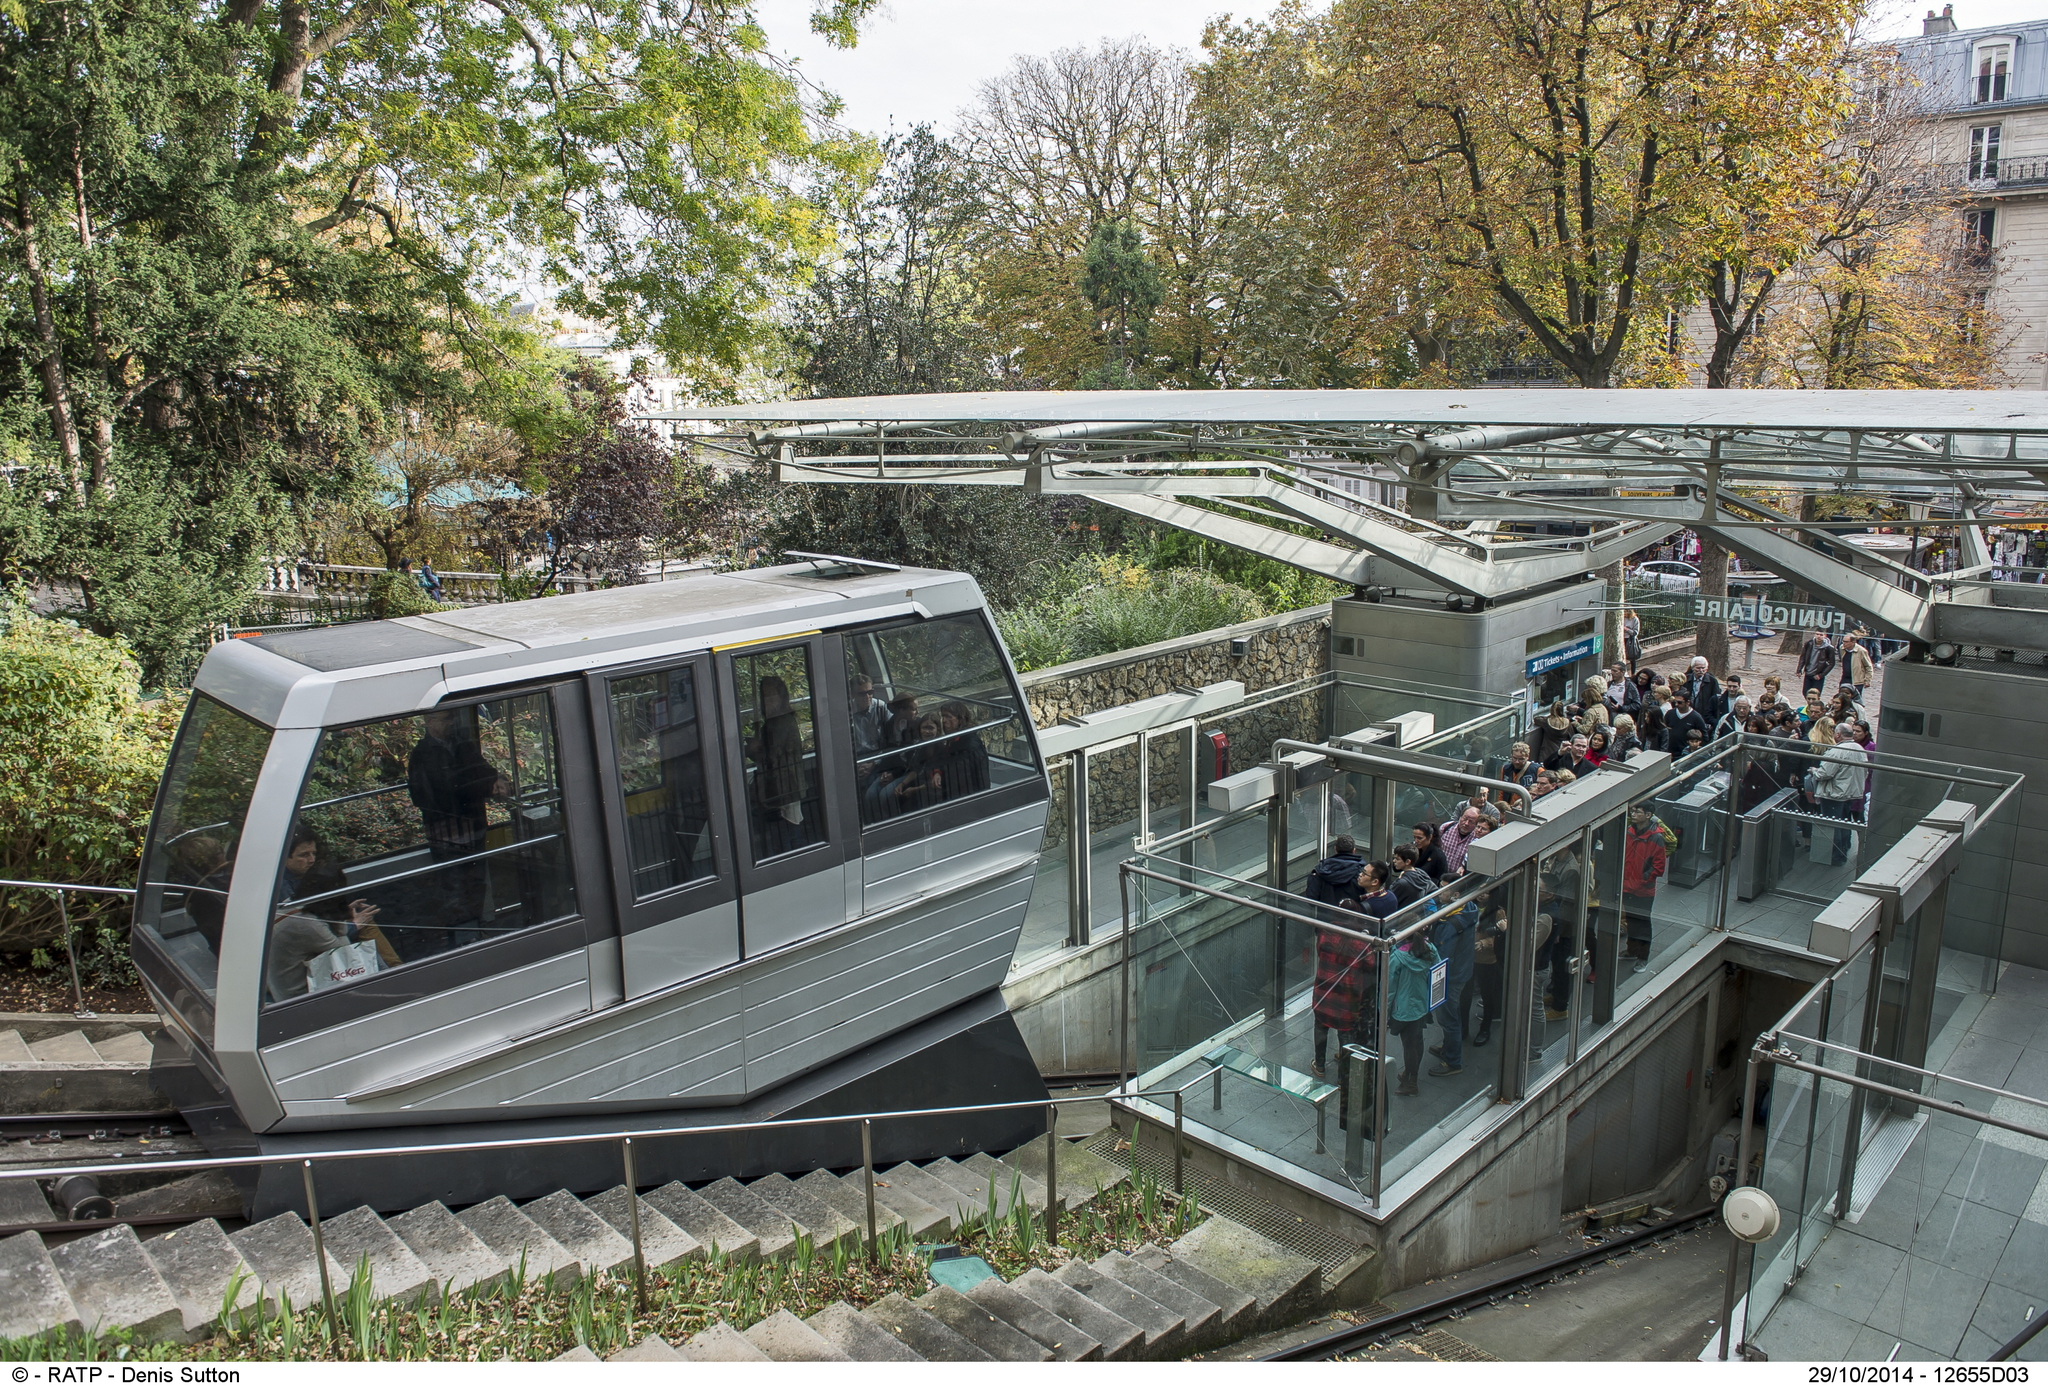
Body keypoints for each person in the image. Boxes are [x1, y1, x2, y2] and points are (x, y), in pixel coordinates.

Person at [408, 706, 511, 952]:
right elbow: (424, 795)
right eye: (445, 720)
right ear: (429, 721)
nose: (450, 725)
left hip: (473, 827)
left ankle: (474, 929)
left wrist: (495, 781)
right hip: (445, 832)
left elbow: (481, 770)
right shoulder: (421, 754)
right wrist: (469, 790)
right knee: (453, 885)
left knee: (476, 881)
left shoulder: (463, 745)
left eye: (451, 719)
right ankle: (461, 938)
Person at [1312, 900, 1375, 1080]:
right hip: (1349, 996)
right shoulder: (1361, 942)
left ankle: (1320, 1064)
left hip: (1324, 991)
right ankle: (1343, 1077)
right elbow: (1370, 964)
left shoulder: (1325, 933)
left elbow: (1319, 951)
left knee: (1320, 1026)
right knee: (1346, 1034)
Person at [746, 675, 809, 850]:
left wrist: (754, 748)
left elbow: (771, 757)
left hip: (784, 788)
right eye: (764, 696)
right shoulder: (773, 722)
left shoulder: (780, 722)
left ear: (781, 697)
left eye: (771, 695)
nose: (767, 700)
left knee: (786, 837)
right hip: (782, 788)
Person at [1388, 930, 1441, 1097]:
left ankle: (1411, 1082)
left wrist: (1384, 1011)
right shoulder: (1430, 949)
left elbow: (1389, 989)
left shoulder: (1397, 958)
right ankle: (1411, 1075)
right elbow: (1438, 971)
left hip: (1403, 1010)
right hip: (1422, 1004)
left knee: (1409, 1046)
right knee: (1417, 1042)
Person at [1429, 895, 1476, 1077]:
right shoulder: (1468, 908)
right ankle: (1448, 1046)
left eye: (1445, 888)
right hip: (1462, 971)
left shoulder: (1451, 925)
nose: (1441, 892)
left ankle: (1452, 1061)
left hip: (1450, 977)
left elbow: (1442, 957)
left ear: (1455, 896)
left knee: (1448, 1018)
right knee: (1451, 1014)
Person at [1622, 804, 1668, 974]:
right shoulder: (1629, 832)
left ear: (1648, 815)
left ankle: (1643, 957)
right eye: (1632, 811)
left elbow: (1659, 866)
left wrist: (1643, 879)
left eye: (1637, 812)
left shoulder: (1656, 837)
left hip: (1643, 890)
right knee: (1632, 921)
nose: (1633, 814)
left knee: (1643, 924)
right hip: (1627, 886)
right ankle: (1632, 950)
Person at [1814, 723, 1869, 865]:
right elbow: (1865, 772)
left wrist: (1813, 771)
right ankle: (1844, 850)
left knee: (1833, 826)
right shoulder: (1859, 749)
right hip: (1851, 794)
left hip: (1834, 794)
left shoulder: (1837, 751)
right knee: (1844, 823)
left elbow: (1824, 773)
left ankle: (1836, 857)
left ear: (1838, 735)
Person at [928, 701, 990, 800]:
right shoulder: (953, 739)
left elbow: (961, 775)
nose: (944, 720)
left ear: (960, 719)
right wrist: (937, 772)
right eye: (943, 716)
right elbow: (943, 759)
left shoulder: (968, 744)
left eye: (948, 717)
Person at [1306, 835, 1368, 915]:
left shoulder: (1321, 871)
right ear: (1354, 850)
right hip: (1353, 921)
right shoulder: (1363, 872)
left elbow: (1311, 900)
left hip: (1326, 921)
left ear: (1335, 849)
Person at [847, 674, 890, 762]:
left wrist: (875, 763)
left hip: (878, 758)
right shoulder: (846, 712)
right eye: (862, 694)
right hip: (856, 760)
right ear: (852, 694)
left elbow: (892, 734)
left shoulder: (880, 707)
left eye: (870, 692)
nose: (867, 697)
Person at [1437, 807, 1483, 877]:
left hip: (1458, 880)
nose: (1466, 823)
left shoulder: (1477, 839)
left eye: (1471, 821)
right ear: (1460, 817)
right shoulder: (1446, 827)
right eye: (1464, 819)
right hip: (1439, 874)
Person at [1684, 657, 1724, 729]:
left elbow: (1715, 698)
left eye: (1703, 668)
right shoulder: (1686, 679)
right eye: (1698, 668)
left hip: (1704, 713)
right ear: (1693, 668)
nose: (1701, 670)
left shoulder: (1712, 681)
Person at [1532, 700, 1573, 766]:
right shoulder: (1567, 723)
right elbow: (1572, 736)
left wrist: (1549, 717)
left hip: (1547, 753)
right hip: (1563, 752)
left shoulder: (1547, 721)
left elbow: (1536, 719)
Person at [1798, 629, 1837, 697]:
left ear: (1825, 636)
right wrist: (1799, 669)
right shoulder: (1809, 644)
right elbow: (1803, 657)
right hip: (1808, 672)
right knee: (1805, 693)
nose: (1819, 636)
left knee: (1815, 694)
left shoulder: (1828, 648)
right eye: (1817, 634)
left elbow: (1832, 663)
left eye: (1821, 635)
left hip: (1818, 674)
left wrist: (1822, 674)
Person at [1839, 632, 1874, 701]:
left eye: (1846, 642)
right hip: (1845, 678)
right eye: (1843, 641)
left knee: (1855, 699)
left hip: (1857, 680)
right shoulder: (1842, 648)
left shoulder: (1861, 651)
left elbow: (1868, 666)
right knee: (1842, 698)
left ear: (1853, 642)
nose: (1844, 643)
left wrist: (1868, 680)